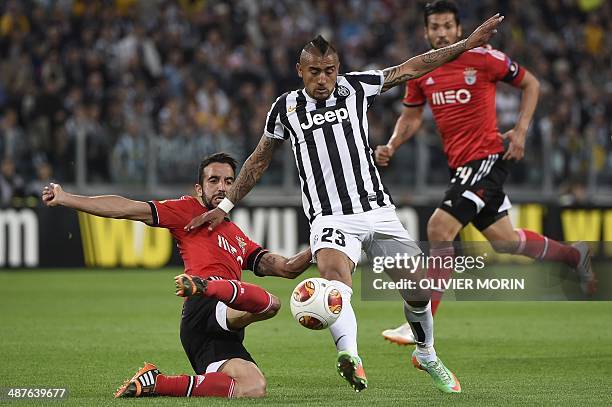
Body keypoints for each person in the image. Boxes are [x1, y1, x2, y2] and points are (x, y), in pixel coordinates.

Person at [183, 14, 505, 394]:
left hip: (378, 211)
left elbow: (412, 67)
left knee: (419, 289)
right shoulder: (285, 108)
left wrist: (464, 45)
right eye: (315, 71)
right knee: (336, 280)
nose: (323, 79)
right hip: (330, 216)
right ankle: (350, 356)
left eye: (330, 70)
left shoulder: (357, 87)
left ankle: (426, 353)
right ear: (300, 71)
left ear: (339, 69)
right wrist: (224, 208)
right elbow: (258, 160)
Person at [375, 1, 596, 345]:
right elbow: (412, 117)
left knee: (438, 227)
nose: (441, 32)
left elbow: (532, 84)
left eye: (447, 26)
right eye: (435, 27)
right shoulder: (422, 71)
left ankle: (421, 323)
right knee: (505, 240)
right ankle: (573, 254)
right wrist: (392, 144)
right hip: (461, 166)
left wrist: (521, 130)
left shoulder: (484, 57)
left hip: (487, 159)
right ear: (426, 31)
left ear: (459, 29)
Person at [41, 152, 312, 399]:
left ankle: (155, 383)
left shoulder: (238, 237)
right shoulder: (186, 210)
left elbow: (287, 268)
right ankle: (206, 286)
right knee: (271, 304)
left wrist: (323, 243)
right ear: (199, 188)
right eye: (214, 180)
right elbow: (126, 207)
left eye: (229, 181)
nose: (222, 187)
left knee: (253, 388)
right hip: (203, 308)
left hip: (218, 331)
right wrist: (67, 198)